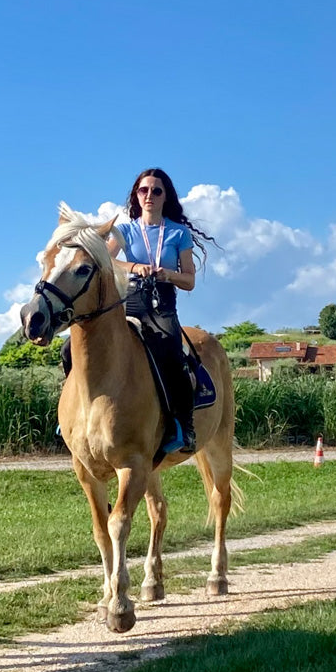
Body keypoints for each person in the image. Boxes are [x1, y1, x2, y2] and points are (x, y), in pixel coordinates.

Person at [105, 167, 212, 456]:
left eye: (156, 190)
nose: (149, 195)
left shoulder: (179, 233)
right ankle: (73, 416)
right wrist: (133, 267)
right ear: (136, 196)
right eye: (143, 190)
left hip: (162, 303)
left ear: (166, 197)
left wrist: (166, 274)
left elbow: (189, 280)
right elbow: (107, 262)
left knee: (173, 356)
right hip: (130, 301)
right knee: (73, 349)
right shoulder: (125, 230)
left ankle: (183, 425)